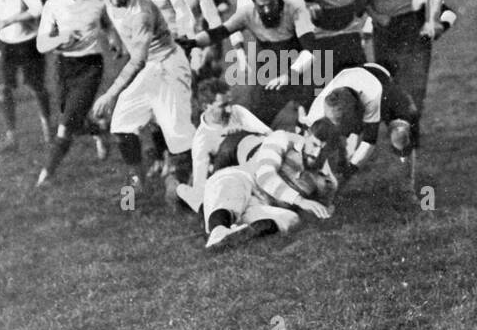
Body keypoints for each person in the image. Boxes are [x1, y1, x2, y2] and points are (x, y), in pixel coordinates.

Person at [92, 0, 195, 200]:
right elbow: (106, 18)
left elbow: (138, 60)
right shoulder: (108, 3)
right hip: (150, 70)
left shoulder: (141, 12)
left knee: (178, 134)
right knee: (121, 123)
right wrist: (113, 39)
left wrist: (110, 94)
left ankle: (192, 183)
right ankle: (139, 184)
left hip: (168, 65)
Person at [192, 0, 316, 127]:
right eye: (261, 6)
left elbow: (310, 51)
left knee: (308, 114)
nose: (267, 10)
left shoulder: (296, 9)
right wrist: (193, 42)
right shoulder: (247, 11)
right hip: (268, 59)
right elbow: (220, 31)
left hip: (299, 61)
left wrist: (289, 75)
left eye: (271, 4)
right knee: (259, 114)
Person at [201, 119, 341, 252]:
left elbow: (319, 215)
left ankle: (239, 233)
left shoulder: (327, 181)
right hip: (246, 181)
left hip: (263, 206)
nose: (317, 154)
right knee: (231, 187)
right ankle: (219, 232)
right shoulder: (283, 138)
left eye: (324, 150)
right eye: (315, 145)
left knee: (292, 219)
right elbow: (265, 176)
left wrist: (322, 210)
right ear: (306, 135)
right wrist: (300, 200)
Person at [35, 0, 109, 187]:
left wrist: (117, 43)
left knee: (65, 125)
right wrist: (61, 38)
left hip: (90, 66)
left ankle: (46, 174)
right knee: (73, 119)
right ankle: (98, 129)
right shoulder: (53, 4)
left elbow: (108, 24)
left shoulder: (99, 0)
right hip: (64, 67)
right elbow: (41, 44)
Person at [304, 62, 419, 180]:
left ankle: (409, 179)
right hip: (358, 76)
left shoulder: (372, 94)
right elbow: (307, 135)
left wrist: (351, 169)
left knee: (399, 138)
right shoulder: (318, 109)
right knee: (323, 139)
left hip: (386, 91)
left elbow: (369, 142)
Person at [175, 77, 272, 212]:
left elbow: (269, 134)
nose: (229, 109)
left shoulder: (237, 112)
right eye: (222, 106)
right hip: (233, 178)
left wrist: (243, 132)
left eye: (229, 103)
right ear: (205, 106)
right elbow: (201, 187)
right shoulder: (202, 140)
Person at [0, 0, 52, 146]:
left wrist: (12, 20)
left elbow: (38, 10)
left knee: (37, 87)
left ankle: (47, 127)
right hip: (7, 45)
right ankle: (11, 135)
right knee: (4, 89)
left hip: (29, 42)